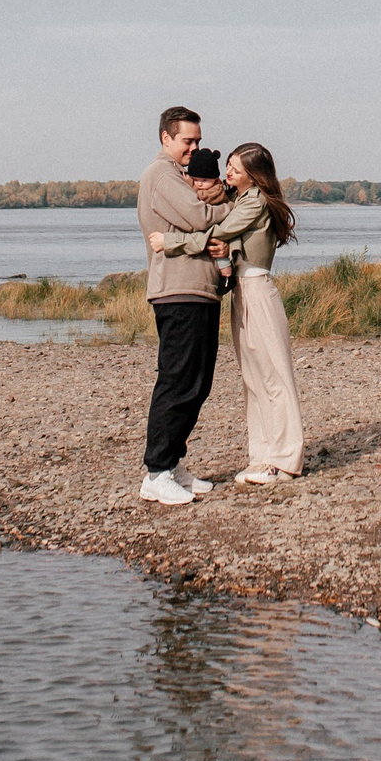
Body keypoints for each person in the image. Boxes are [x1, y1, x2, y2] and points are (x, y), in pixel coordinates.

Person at [149, 141, 302, 484]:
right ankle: (261, 456)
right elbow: (224, 235)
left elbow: (217, 230)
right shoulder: (241, 201)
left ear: (253, 174)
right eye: (228, 166)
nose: (227, 172)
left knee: (275, 377)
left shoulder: (257, 202)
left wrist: (169, 243)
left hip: (259, 292)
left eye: (234, 168)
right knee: (253, 379)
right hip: (243, 296)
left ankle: (285, 460)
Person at [136, 106, 228, 505]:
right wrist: (231, 208)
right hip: (177, 290)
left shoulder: (179, 175)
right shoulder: (162, 175)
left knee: (198, 383)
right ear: (166, 138)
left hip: (199, 289)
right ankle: (156, 472)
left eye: (198, 141)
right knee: (177, 381)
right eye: (187, 141)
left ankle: (172, 464)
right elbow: (198, 217)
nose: (194, 148)